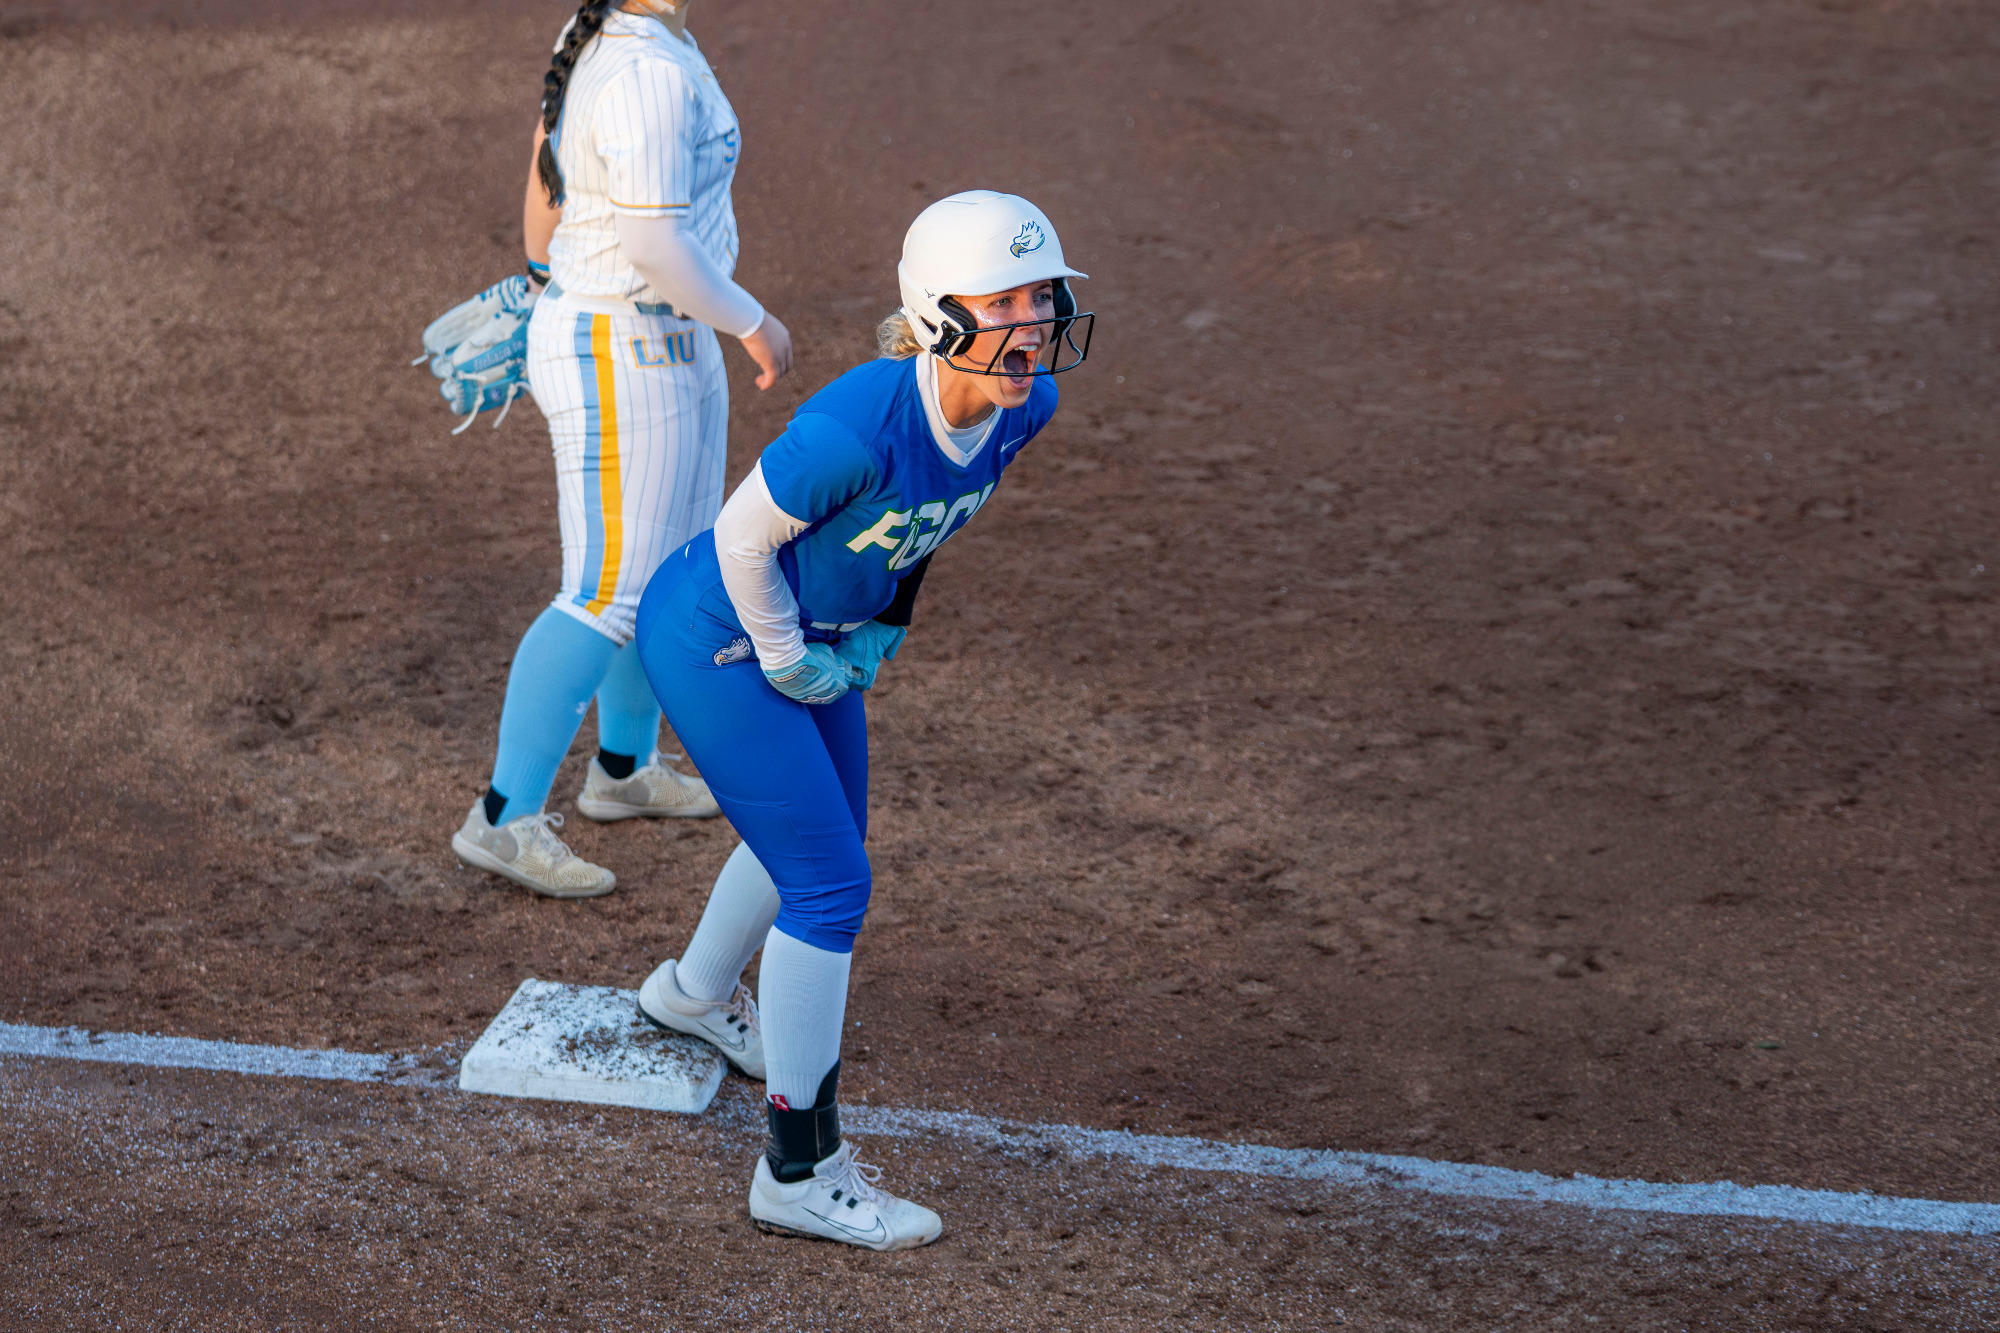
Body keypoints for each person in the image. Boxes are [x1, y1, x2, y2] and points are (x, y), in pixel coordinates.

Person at [628, 191, 1095, 1249]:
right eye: (1008, 299)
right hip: (717, 634)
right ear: (937, 315)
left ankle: (693, 995)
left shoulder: (1025, 410)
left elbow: (919, 530)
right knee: (830, 885)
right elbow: (743, 542)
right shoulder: (854, 420)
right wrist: (789, 657)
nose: (1035, 319)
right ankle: (797, 1168)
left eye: (1043, 295)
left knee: (821, 836)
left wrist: (881, 622)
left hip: (810, 630)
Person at [451, 0, 794, 899]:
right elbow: (651, 243)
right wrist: (753, 322)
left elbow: (548, 161)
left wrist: (540, 274)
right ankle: (500, 817)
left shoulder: (630, 31)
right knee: (603, 591)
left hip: (663, 343)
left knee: (669, 572)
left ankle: (621, 768)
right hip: (622, 348)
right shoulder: (646, 68)